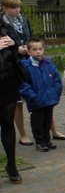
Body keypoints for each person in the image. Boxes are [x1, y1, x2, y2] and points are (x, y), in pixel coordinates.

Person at [1, 0, 34, 146]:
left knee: (39, 94)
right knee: (18, 101)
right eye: (13, 8)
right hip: (13, 65)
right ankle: (23, 134)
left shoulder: (24, 20)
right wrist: (16, 48)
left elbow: (30, 37)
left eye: (18, 7)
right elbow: (5, 47)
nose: (17, 11)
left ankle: (50, 129)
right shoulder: (2, 24)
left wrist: (30, 48)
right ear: (5, 8)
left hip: (29, 60)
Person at [19, 38, 61, 152]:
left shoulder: (48, 63)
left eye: (40, 49)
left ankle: (47, 140)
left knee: (47, 121)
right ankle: (40, 142)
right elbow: (23, 84)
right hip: (36, 101)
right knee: (37, 122)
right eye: (34, 49)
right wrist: (32, 96)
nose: (38, 52)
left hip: (49, 99)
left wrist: (55, 92)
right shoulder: (25, 66)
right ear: (28, 51)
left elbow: (57, 79)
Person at [0, 27, 24, 183]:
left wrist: (15, 45)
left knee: (7, 124)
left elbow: (19, 53)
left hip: (7, 83)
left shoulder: (5, 28)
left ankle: (12, 166)